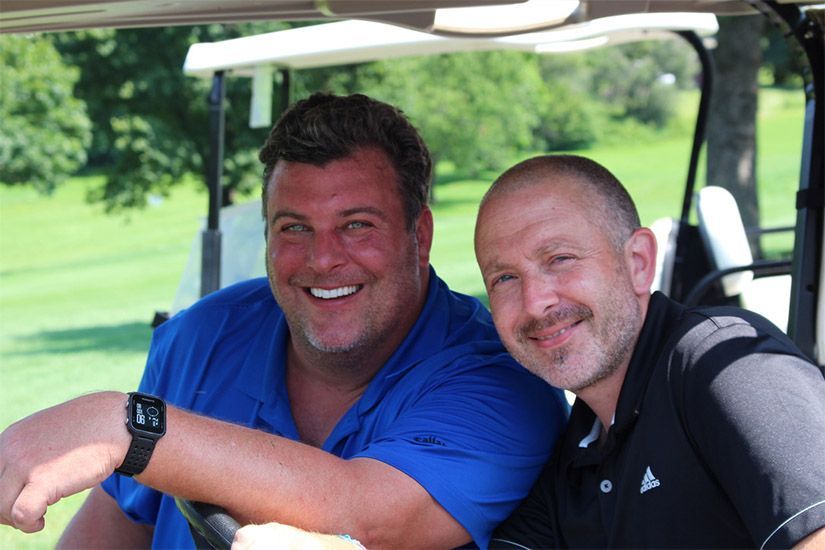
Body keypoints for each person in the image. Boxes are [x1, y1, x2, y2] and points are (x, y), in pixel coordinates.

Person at [0, 93, 569, 549]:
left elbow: (367, 517)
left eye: (356, 226)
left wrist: (130, 425)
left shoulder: (500, 376)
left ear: (418, 237)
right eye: (294, 228)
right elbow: (120, 526)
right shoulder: (202, 336)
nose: (322, 260)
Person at [473, 154, 825, 548]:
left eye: (560, 259)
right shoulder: (574, 454)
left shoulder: (724, 365)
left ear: (638, 262)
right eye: (504, 278)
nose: (535, 302)